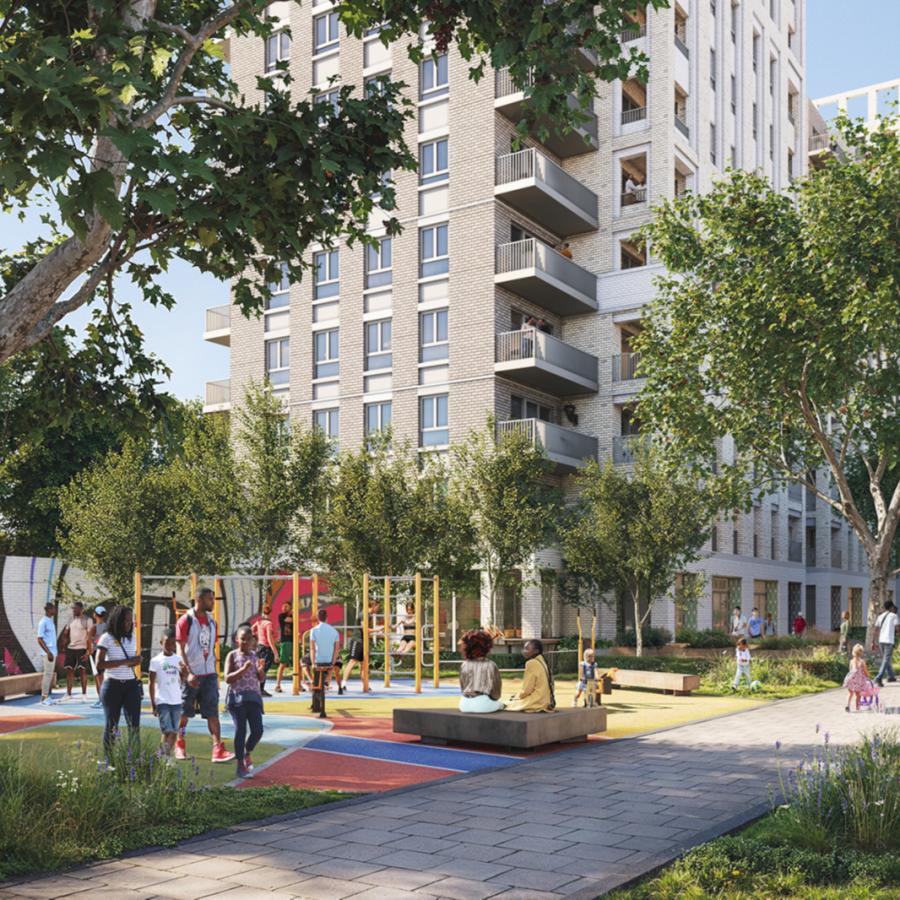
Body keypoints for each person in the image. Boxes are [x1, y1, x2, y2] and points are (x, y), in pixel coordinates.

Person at [174, 587, 234, 763]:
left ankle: (217, 749)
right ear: (199, 600)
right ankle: (179, 744)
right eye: (210, 599)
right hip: (191, 674)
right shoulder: (186, 620)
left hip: (209, 674)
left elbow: (207, 646)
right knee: (184, 713)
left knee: (212, 712)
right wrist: (188, 672)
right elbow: (180, 648)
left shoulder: (212, 621)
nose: (213, 602)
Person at [95, 604, 142, 755]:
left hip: (131, 686)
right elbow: (99, 664)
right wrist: (124, 662)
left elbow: (131, 662)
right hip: (112, 686)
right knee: (111, 725)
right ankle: (109, 760)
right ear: (117, 620)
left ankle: (134, 759)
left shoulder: (132, 638)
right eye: (125, 621)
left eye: (130, 621)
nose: (128, 624)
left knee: (134, 726)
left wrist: (136, 661)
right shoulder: (106, 638)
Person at [224, 624, 266, 778]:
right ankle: (240, 765)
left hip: (253, 699)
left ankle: (247, 752)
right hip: (237, 700)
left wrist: (261, 671)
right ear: (237, 640)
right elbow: (227, 678)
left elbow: (260, 678)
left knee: (258, 731)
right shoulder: (232, 655)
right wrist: (242, 669)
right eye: (242, 639)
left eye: (248, 639)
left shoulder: (255, 656)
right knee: (240, 731)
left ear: (252, 641)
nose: (245, 642)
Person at [149, 628, 184, 757]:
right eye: (166, 643)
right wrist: (153, 703)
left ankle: (163, 756)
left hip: (176, 700)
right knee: (167, 730)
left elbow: (183, 677)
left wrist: (184, 674)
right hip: (162, 700)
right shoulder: (155, 661)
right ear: (161, 643)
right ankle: (164, 757)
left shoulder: (178, 659)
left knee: (174, 731)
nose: (170, 646)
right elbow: (151, 682)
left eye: (172, 644)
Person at [458, 629, 504, 713]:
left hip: (464, 704)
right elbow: (496, 694)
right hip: (482, 704)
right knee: (501, 704)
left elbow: (463, 688)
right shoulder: (491, 665)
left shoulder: (464, 664)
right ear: (487, 647)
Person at [507, 639, 555, 712]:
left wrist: (517, 696)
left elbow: (527, 690)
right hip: (547, 701)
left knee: (507, 704)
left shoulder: (531, 663)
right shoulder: (542, 661)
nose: (523, 651)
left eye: (526, 649)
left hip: (537, 702)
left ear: (536, 651)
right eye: (523, 648)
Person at [310, 609, 341, 717]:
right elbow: (336, 649)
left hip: (318, 661)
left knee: (315, 680)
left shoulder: (314, 630)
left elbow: (312, 649)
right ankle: (328, 678)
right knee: (325, 674)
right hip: (329, 661)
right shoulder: (334, 631)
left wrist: (313, 663)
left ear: (318, 618)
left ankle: (316, 706)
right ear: (327, 618)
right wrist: (332, 663)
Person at [62, 601, 91, 700]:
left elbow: (90, 637)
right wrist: (64, 645)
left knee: (83, 671)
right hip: (71, 649)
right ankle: (68, 694)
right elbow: (66, 633)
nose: (73, 610)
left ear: (81, 609)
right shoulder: (71, 619)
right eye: (73, 608)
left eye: (75, 608)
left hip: (82, 648)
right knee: (69, 671)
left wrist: (88, 651)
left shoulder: (87, 620)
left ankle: (84, 694)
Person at [36, 602, 59, 706]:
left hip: (53, 652)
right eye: (53, 608)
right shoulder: (43, 622)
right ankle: (44, 697)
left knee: (49, 674)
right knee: (47, 674)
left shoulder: (50, 621)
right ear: (49, 609)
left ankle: (45, 696)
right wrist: (48, 652)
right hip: (48, 653)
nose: (55, 610)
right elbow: (39, 639)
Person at [252, 601, 276, 697]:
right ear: (270, 612)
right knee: (263, 669)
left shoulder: (259, 622)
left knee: (259, 667)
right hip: (266, 648)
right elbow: (270, 639)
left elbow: (252, 629)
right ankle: (260, 689)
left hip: (259, 647)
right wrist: (275, 653)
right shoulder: (268, 623)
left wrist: (257, 636)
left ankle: (256, 688)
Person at [872, 600, 898, 687]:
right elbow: (897, 628)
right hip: (889, 640)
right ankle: (878, 677)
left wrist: (873, 641)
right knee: (886, 659)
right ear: (891, 607)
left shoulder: (880, 616)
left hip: (881, 641)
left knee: (885, 659)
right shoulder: (894, 616)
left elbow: (875, 629)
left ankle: (891, 676)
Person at [89, 605, 108, 707]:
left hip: (97, 653)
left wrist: (89, 650)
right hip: (106, 653)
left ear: (94, 615)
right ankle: (104, 699)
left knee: (98, 677)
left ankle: (102, 700)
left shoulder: (94, 627)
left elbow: (89, 640)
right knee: (104, 677)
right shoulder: (108, 627)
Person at [843, 643, 872, 712]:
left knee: (850, 693)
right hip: (858, 681)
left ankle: (847, 705)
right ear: (861, 653)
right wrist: (868, 675)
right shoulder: (862, 661)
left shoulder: (851, 661)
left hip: (851, 680)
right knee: (858, 695)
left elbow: (850, 671)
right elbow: (865, 671)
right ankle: (857, 708)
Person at [274, 604, 293, 693]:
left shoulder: (293, 616)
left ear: (290, 607)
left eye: (286, 606)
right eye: (283, 606)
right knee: (283, 663)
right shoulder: (281, 616)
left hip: (293, 641)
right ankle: (278, 685)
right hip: (285, 642)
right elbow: (289, 620)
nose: (284, 608)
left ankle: (299, 684)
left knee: (298, 664)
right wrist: (292, 613)